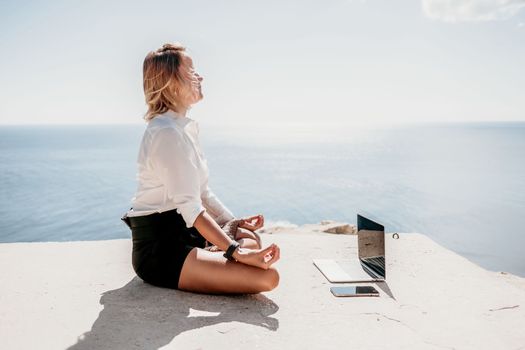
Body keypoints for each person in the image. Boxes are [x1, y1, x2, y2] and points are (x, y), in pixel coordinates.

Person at [122, 43, 280, 294]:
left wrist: (234, 222)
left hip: (187, 235)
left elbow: (203, 193)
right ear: (170, 81)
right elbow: (192, 209)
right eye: (191, 71)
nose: (200, 76)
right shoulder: (166, 133)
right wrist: (235, 251)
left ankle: (218, 252)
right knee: (267, 278)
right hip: (162, 250)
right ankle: (215, 256)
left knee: (251, 240)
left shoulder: (182, 128)